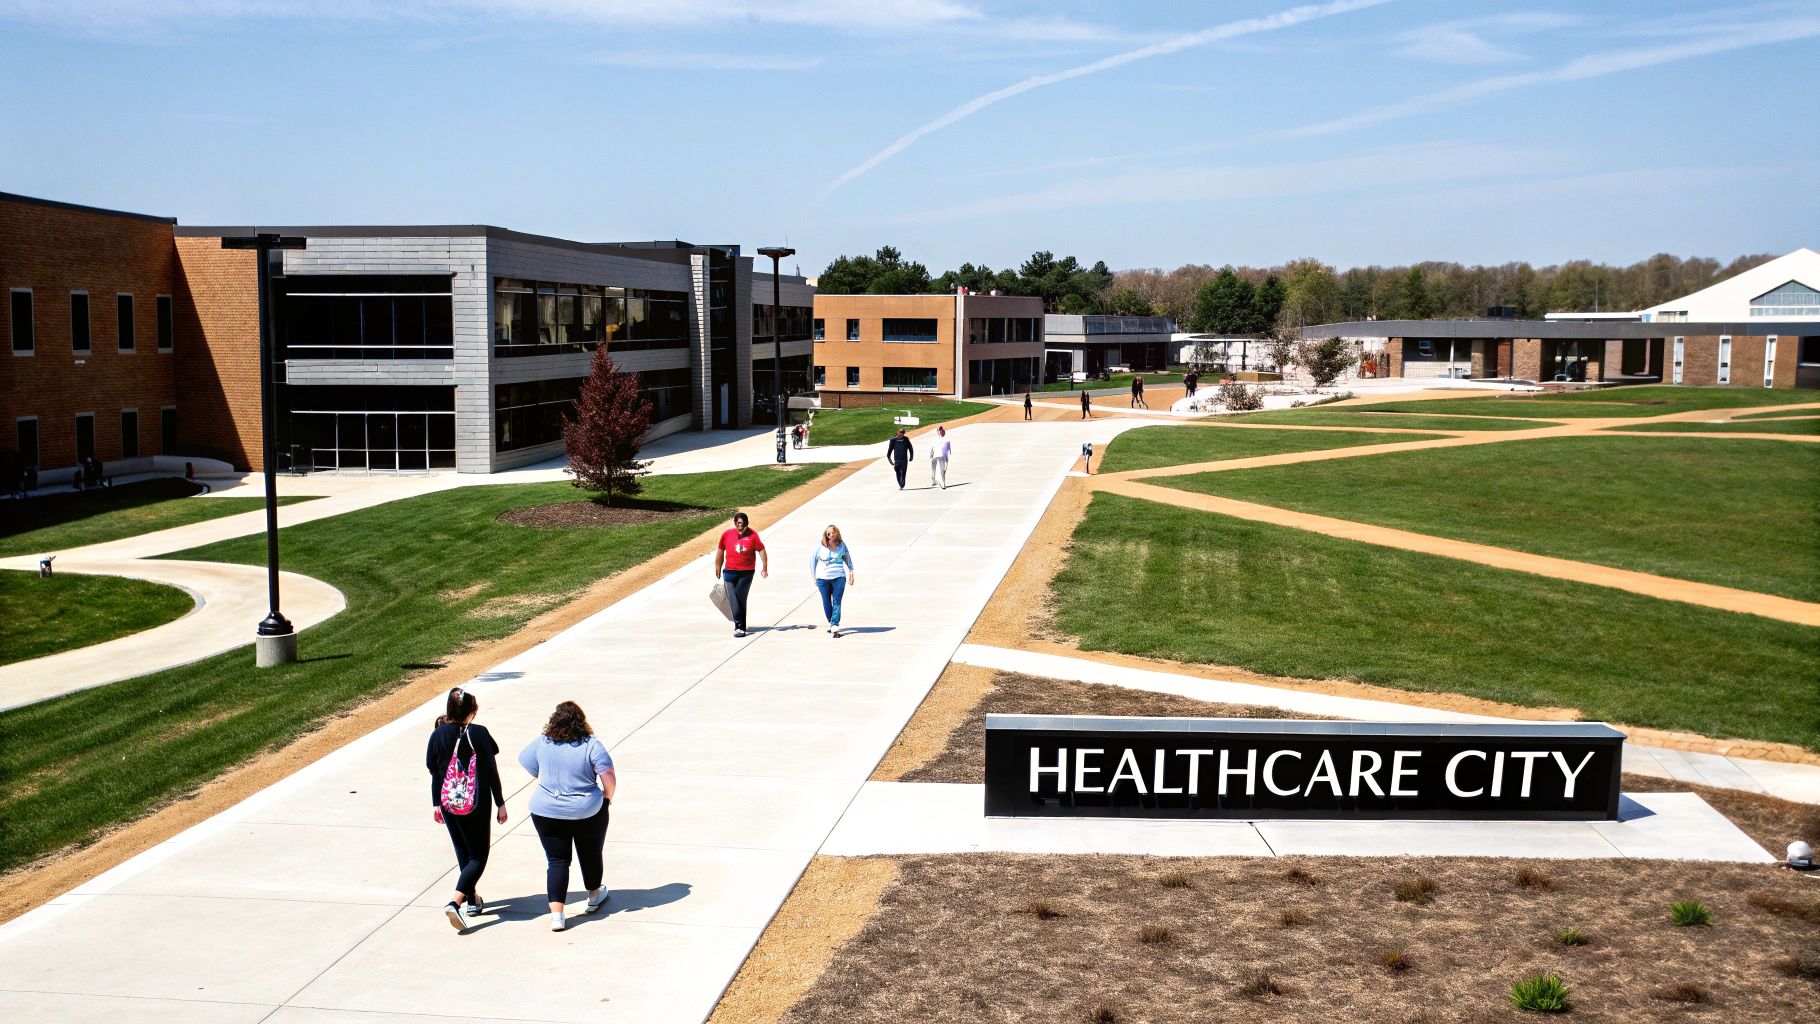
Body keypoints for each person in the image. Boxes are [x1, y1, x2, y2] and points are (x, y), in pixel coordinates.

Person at [519, 702, 616, 932]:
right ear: (581, 721)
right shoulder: (592, 745)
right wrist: (606, 799)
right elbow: (608, 776)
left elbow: (525, 760)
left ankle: (557, 916)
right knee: (590, 852)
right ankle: (594, 895)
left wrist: (549, 780)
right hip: (587, 811)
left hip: (545, 811)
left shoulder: (543, 742)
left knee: (557, 861)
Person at [426, 686, 507, 934]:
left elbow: (434, 770)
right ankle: (456, 901)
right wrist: (500, 802)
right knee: (479, 856)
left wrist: (436, 803)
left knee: (463, 851)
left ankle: (473, 901)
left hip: (449, 801)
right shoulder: (479, 733)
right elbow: (491, 770)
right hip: (476, 803)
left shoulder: (438, 735)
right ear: (472, 710)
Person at [714, 511, 767, 638]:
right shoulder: (727, 534)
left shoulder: (753, 535)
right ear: (735, 523)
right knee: (733, 598)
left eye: (742, 524)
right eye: (738, 524)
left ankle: (740, 627)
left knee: (740, 599)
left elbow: (761, 549)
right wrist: (718, 565)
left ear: (747, 524)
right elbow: (721, 549)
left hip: (746, 573)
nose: (740, 527)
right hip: (729, 572)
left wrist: (765, 567)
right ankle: (739, 626)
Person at [811, 524, 857, 637]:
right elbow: (812, 561)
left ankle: (834, 625)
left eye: (832, 532)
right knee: (826, 602)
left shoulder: (841, 545)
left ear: (836, 533)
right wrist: (814, 578)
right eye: (828, 533)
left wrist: (851, 572)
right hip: (823, 579)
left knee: (837, 601)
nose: (830, 535)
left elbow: (847, 558)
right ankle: (831, 622)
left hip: (839, 577)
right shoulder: (820, 546)